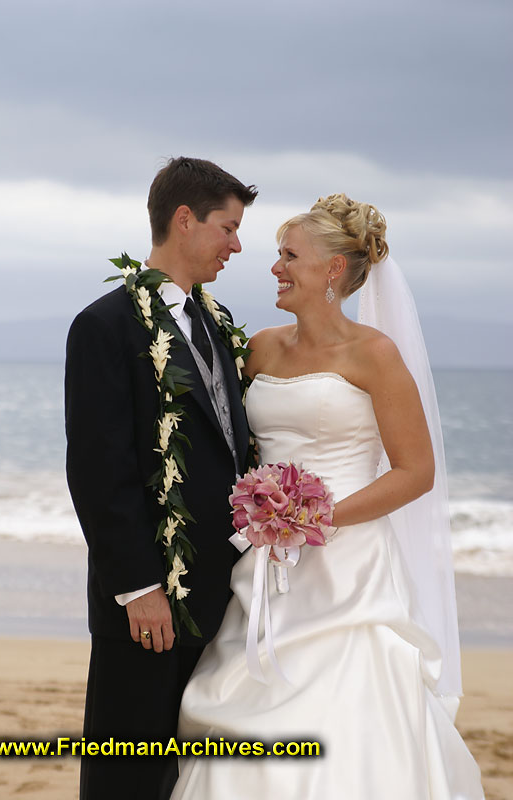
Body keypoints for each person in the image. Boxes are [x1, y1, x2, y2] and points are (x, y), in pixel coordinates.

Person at [169, 194, 485, 798]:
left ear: (333, 271)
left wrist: (317, 517)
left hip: (347, 572)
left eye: (289, 256)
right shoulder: (259, 347)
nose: (274, 268)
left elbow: (415, 471)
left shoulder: (375, 355)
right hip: (263, 564)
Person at [65, 156, 257, 800]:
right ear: (184, 220)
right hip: (147, 599)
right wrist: (138, 587)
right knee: (129, 765)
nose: (237, 244)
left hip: (220, 591)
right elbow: (98, 470)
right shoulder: (104, 326)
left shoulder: (215, 322)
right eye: (227, 227)